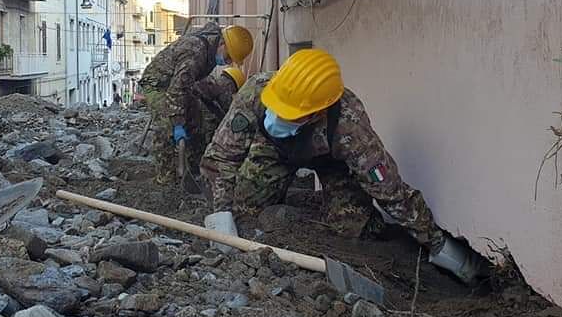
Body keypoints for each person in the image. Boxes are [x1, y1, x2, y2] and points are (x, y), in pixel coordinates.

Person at [200, 49, 485, 283]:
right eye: (278, 109)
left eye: (291, 115)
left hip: (331, 163)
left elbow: (389, 189)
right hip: (272, 151)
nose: (279, 118)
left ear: (316, 114)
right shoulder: (255, 92)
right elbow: (220, 158)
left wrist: (438, 244)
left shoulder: (350, 126)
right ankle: (289, 206)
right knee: (244, 212)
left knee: (353, 229)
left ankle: (352, 220)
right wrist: (221, 215)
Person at [139, 22, 254, 184]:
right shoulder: (195, 52)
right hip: (158, 84)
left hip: (178, 83)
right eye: (228, 56)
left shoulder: (210, 49)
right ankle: (166, 177)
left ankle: (195, 170)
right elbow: (177, 89)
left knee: (196, 121)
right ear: (222, 44)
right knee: (167, 125)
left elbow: (185, 84)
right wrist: (177, 123)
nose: (227, 61)